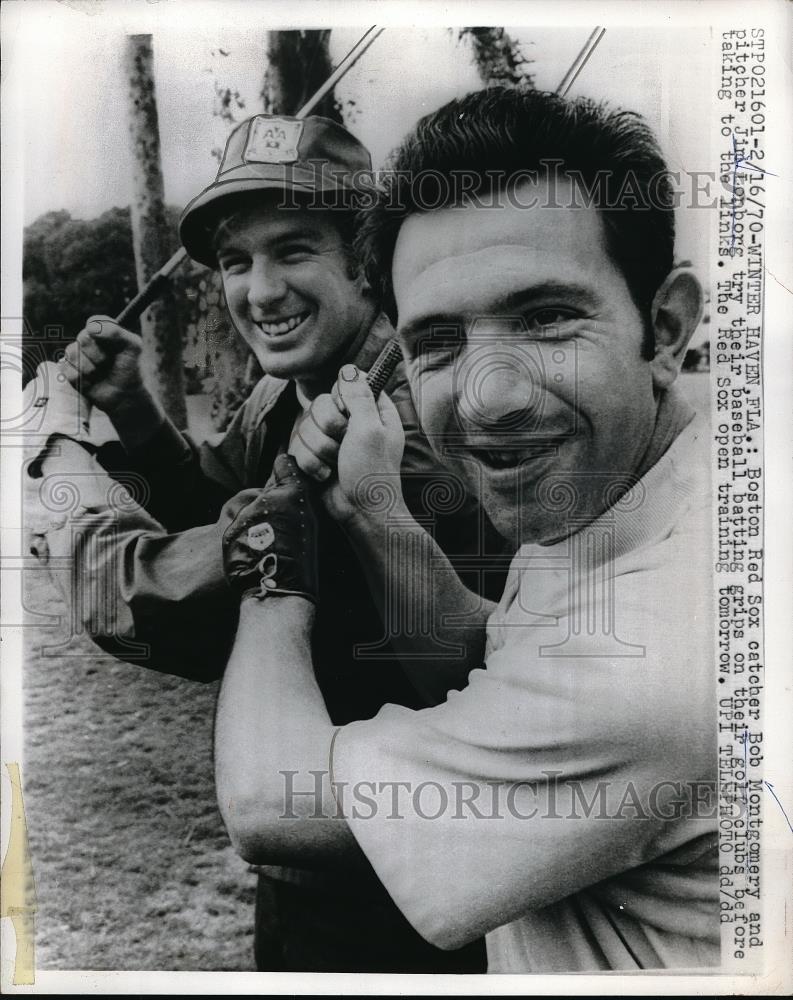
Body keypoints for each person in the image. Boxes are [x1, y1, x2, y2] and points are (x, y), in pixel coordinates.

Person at [214, 87, 719, 973]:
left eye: (545, 318)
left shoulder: (657, 656)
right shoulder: (643, 482)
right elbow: (505, 654)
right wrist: (373, 513)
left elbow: (269, 805)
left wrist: (275, 550)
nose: (489, 398)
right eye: (438, 341)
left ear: (665, 326)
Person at [27, 113, 494, 972]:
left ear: (369, 259)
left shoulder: (392, 431)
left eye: (293, 250)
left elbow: (150, 605)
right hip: (308, 874)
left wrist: (55, 451)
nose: (260, 291)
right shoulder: (292, 392)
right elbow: (224, 510)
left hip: (396, 883)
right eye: (236, 262)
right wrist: (133, 407)